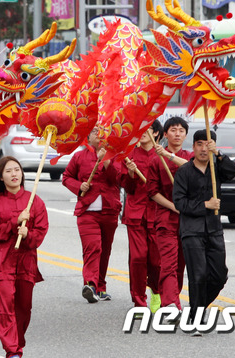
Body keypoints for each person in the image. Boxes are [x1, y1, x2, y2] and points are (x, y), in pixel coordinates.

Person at [172, 129, 235, 332]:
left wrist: (217, 154)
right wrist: (205, 205)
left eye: (207, 144)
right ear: (193, 147)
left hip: (214, 230)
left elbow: (232, 172)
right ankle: (197, 317)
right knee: (198, 275)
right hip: (192, 231)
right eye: (199, 144)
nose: (203, 148)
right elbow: (179, 203)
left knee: (219, 276)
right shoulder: (184, 172)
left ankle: (195, 310)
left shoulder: (217, 168)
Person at [0, 156, 48, 358]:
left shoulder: (34, 201)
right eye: (9, 171)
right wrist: (15, 221)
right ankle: (12, 350)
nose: (14, 174)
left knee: (23, 307)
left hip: (26, 261)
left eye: (17, 170)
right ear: (1, 177)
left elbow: (40, 233)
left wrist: (28, 234)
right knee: (6, 307)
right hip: (2, 261)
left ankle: (16, 341)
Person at [62, 127, 122, 303]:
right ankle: (90, 285)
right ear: (88, 136)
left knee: (105, 250)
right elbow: (66, 177)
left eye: (103, 132)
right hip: (87, 211)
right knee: (93, 248)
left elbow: (117, 179)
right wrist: (79, 186)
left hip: (110, 210)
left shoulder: (115, 156)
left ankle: (101, 287)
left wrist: (106, 162)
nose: (99, 135)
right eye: (95, 131)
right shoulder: (79, 157)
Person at [147, 116, 192, 312]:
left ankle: (172, 297)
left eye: (181, 131)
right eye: (173, 130)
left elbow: (194, 170)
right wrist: (173, 206)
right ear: (165, 134)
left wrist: (168, 155)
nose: (177, 134)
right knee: (168, 263)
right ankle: (171, 304)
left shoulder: (190, 157)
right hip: (166, 219)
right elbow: (152, 192)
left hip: (188, 221)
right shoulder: (155, 160)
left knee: (181, 265)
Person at [119, 120, 163, 312]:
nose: (144, 133)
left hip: (158, 214)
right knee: (137, 257)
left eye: (148, 129)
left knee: (156, 259)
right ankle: (138, 301)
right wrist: (130, 174)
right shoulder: (129, 156)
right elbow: (126, 187)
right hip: (135, 213)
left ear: (156, 134)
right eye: (140, 129)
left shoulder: (162, 155)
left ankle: (156, 291)